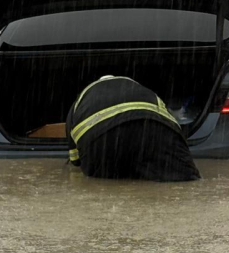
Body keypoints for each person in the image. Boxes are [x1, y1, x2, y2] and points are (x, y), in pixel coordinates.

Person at [66, 76, 200, 181]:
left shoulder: (79, 101)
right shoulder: (145, 92)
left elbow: (75, 160)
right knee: (186, 179)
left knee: (105, 184)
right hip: (154, 132)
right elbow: (172, 125)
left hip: (103, 142)